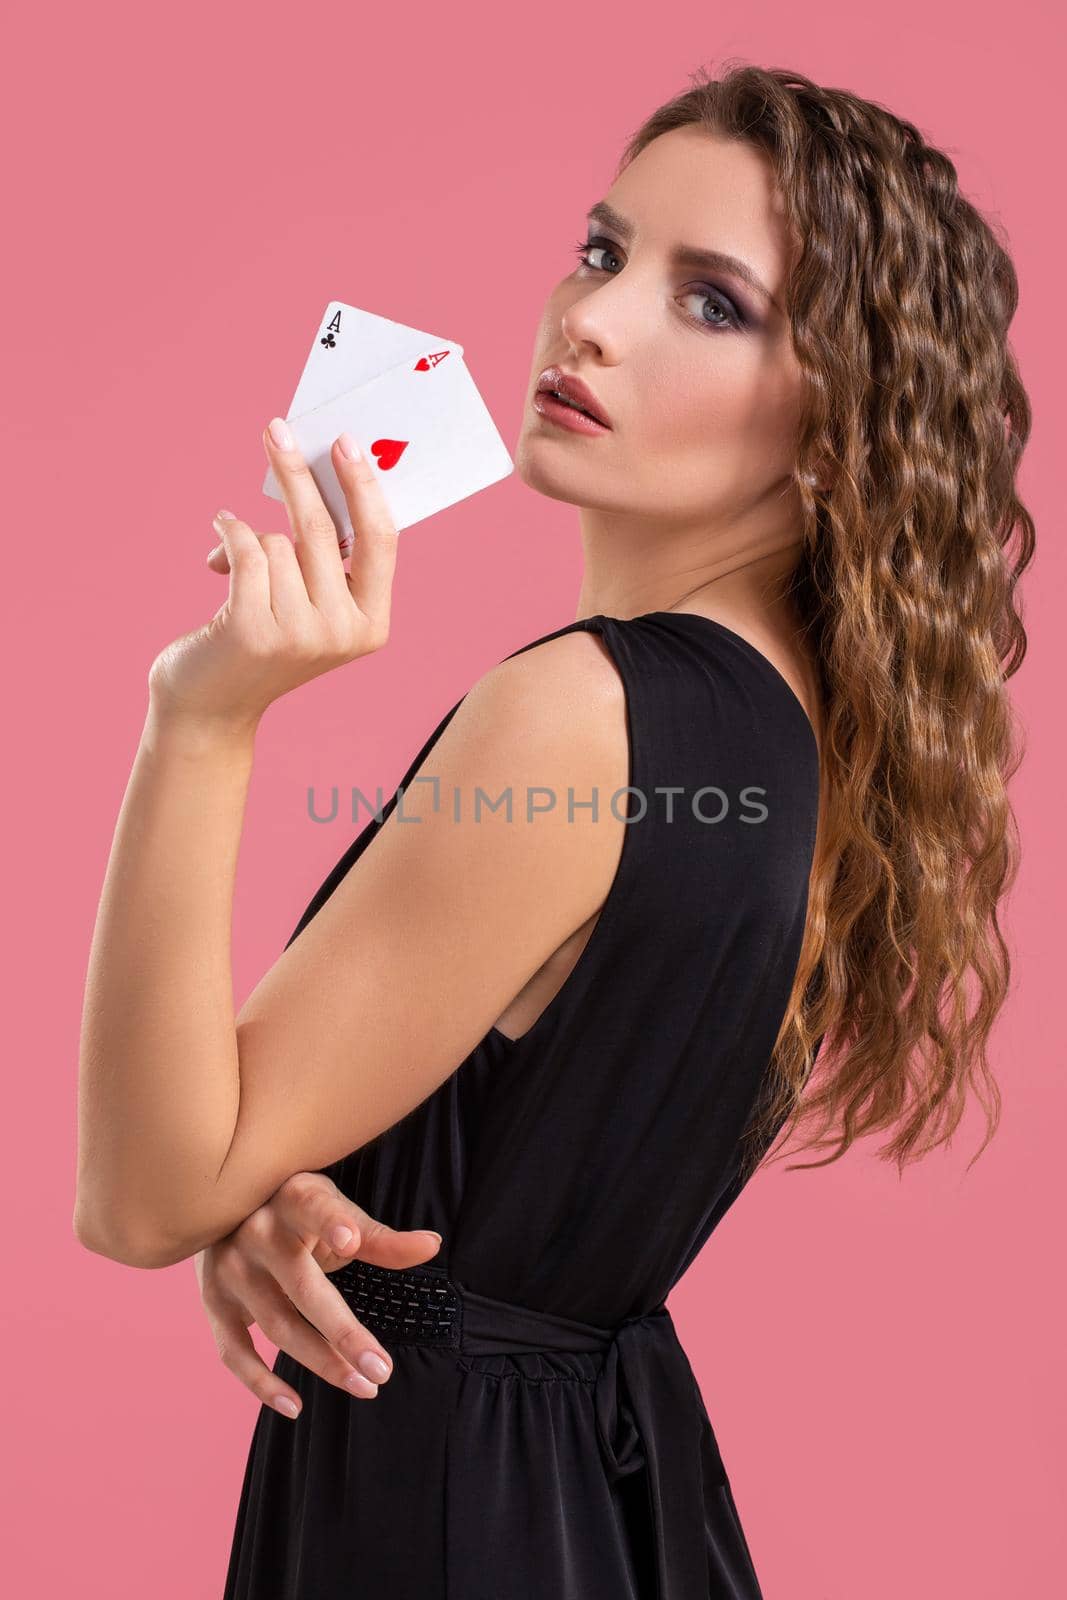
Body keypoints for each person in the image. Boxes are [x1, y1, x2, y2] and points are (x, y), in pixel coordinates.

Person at [74, 60, 1034, 1599]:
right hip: (595, 1480)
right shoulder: (812, 749)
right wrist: (300, 1206)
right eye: (604, 250)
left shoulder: (584, 717)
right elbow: (531, 1218)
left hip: (443, 1504)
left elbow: (135, 1193)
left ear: (840, 421)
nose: (591, 318)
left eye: (713, 302)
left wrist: (204, 715)